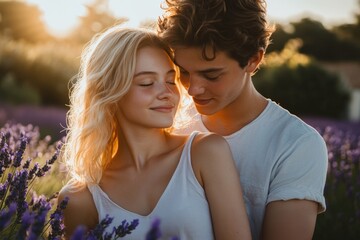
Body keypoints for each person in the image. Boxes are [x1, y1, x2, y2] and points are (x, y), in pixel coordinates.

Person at [58, 26, 252, 240]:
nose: (167, 93)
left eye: (171, 81)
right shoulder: (80, 198)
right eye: (147, 83)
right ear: (110, 92)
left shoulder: (205, 153)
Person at [157, 0, 328, 239]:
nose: (193, 89)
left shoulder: (296, 145)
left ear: (253, 60)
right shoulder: (168, 121)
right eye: (183, 72)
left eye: (211, 74)